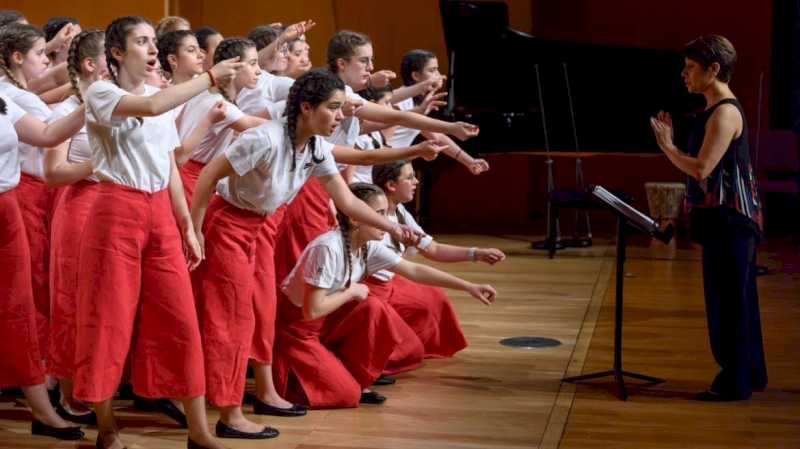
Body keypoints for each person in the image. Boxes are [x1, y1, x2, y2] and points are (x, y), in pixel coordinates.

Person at [189, 68, 435, 437]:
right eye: (334, 108)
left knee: (262, 310)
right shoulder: (264, 138)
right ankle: (229, 414)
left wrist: (391, 227)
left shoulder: (316, 147)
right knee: (233, 318)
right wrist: (194, 231)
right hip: (228, 226)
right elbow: (207, 176)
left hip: (259, 227)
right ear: (306, 107)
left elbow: (348, 200)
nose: (341, 116)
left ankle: (262, 394)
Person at [74, 15, 241, 449]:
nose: (152, 49)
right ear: (116, 53)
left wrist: (187, 224)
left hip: (160, 216)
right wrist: (209, 77)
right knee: (108, 322)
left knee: (182, 320)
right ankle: (107, 428)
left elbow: (169, 165)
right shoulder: (101, 93)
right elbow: (150, 109)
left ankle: (199, 432)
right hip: (115, 211)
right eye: (142, 41)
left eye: (154, 41)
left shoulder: (160, 95)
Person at [275, 182, 497, 408]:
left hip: (324, 320)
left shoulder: (366, 244)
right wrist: (351, 291)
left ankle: (351, 375)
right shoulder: (328, 248)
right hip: (297, 329)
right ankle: (289, 377)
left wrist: (469, 286)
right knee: (346, 395)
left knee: (375, 309)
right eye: (379, 214)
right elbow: (312, 310)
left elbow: (415, 270)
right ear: (354, 218)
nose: (387, 222)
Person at [650, 34, 767, 402]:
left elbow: (701, 168)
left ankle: (735, 383)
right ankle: (748, 374)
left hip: (731, 221)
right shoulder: (714, 110)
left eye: (690, 68)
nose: (684, 75)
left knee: (728, 303)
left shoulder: (726, 112)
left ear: (713, 69)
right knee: (736, 299)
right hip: (725, 220)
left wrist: (668, 147)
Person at [370, 160, 505, 373]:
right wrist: (469, 286)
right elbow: (414, 271)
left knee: (434, 298)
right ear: (391, 185)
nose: (416, 181)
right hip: (372, 289)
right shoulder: (375, 223)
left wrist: (475, 253)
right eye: (409, 177)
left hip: (390, 280)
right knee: (408, 352)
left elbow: (432, 248)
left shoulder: (400, 212)